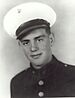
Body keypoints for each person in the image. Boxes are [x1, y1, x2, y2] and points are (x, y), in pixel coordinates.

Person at [3, 2, 75, 98]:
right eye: (26, 43)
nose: (33, 48)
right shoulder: (17, 83)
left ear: (51, 39)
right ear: (20, 45)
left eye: (39, 40)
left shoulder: (72, 75)